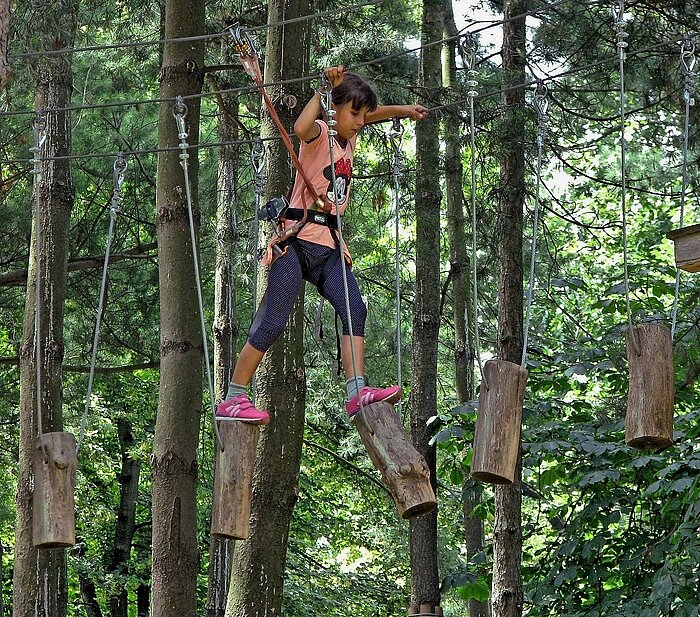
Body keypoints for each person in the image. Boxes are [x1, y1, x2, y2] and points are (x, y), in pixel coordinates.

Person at [216, 66, 429, 425]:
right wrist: (321, 93)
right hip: (297, 241)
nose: (361, 121)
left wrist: (403, 110)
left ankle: (357, 391)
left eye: (363, 115)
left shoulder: (351, 135)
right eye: (354, 113)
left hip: (329, 245)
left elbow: (370, 114)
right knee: (272, 321)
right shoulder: (320, 133)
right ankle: (234, 397)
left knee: (354, 309)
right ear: (335, 108)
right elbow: (300, 128)